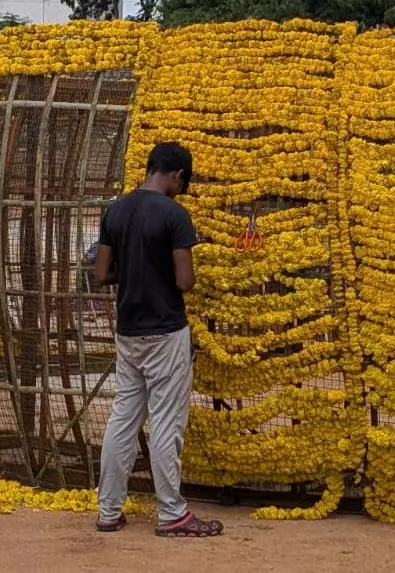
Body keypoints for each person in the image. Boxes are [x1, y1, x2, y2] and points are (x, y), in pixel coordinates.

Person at [92, 142, 224, 538]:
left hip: (128, 331)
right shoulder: (175, 215)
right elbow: (185, 281)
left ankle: (108, 510)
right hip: (165, 330)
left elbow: (101, 274)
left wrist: (132, 270)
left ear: (150, 167)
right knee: (166, 422)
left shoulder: (115, 210)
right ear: (178, 177)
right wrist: (163, 267)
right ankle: (172, 514)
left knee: (123, 419)